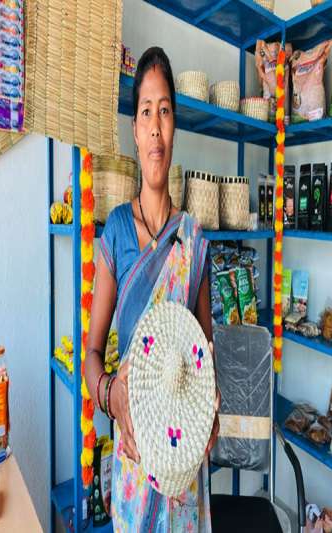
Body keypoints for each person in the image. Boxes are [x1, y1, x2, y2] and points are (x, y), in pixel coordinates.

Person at [85, 46, 220, 532]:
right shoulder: (117, 233)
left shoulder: (194, 239)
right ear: (135, 130)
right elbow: (92, 353)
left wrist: (211, 414)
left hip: (182, 461)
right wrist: (110, 395)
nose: (156, 128)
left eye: (165, 111)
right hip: (134, 457)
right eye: (146, 112)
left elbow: (205, 356)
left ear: (174, 127)